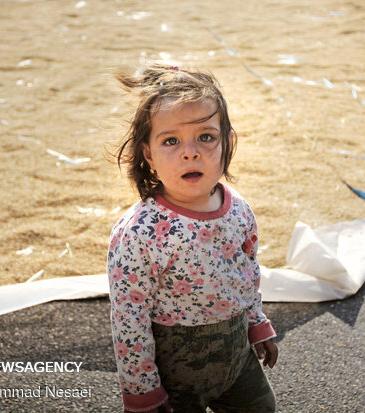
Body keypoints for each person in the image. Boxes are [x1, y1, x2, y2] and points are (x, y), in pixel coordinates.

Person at [108, 63, 278, 413]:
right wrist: (142, 392)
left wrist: (256, 323)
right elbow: (129, 317)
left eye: (206, 136)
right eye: (171, 140)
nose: (190, 151)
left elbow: (247, 272)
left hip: (237, 359)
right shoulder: (139, 232)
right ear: (148, 155)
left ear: (228, 143)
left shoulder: (239, 209)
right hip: (176, 375)